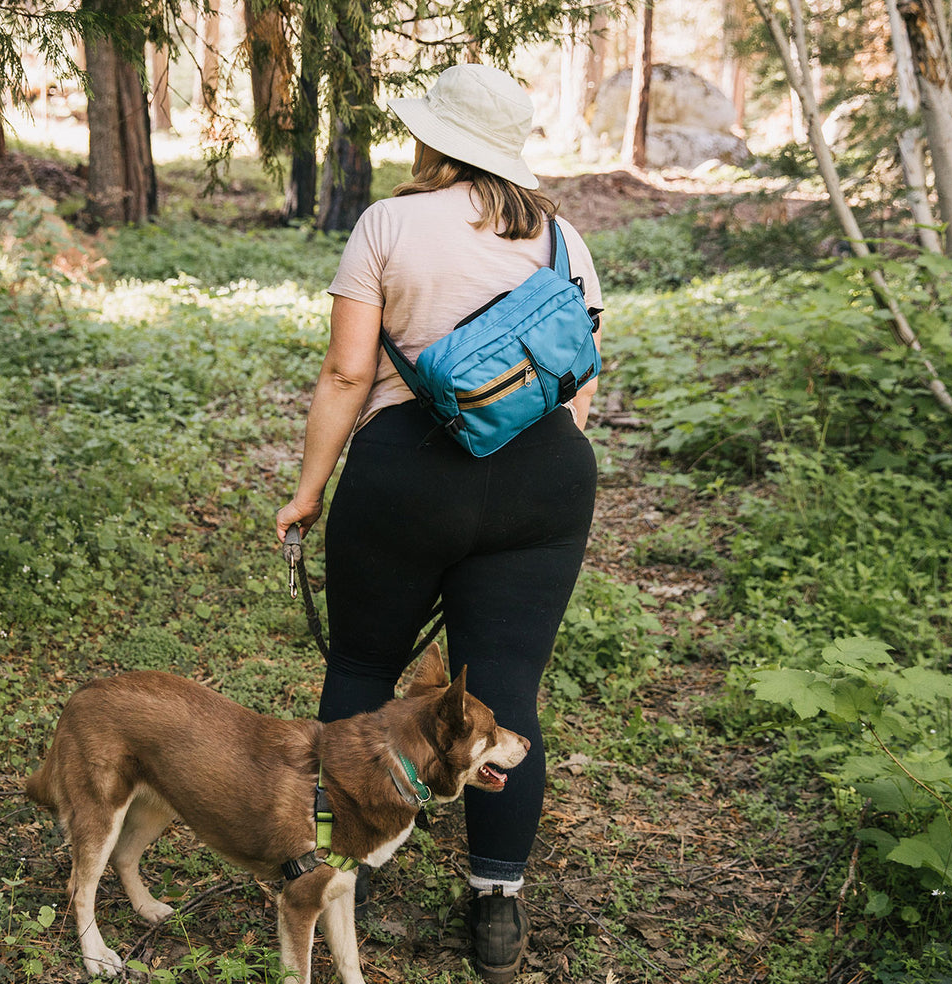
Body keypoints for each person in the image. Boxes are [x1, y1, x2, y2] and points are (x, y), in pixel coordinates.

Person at [274, 63, 602, 984]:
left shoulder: (388, 222)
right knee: (506, 692)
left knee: (365, 667)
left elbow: (346, 374)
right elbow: (580, 378)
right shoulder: (564, 237)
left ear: (434, 139)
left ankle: (343, 868)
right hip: (542, 479)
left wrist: (308, 491)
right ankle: (497, 903)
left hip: (405, 476)